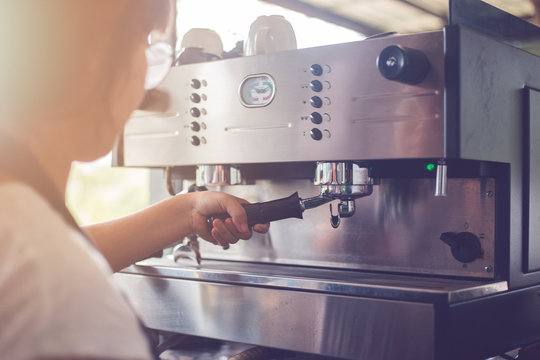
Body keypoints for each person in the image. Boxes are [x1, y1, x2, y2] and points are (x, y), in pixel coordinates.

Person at [0, 1, 268, 359]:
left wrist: (187, 210)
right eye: (145, 43)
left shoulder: (20, 225)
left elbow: (56, 249)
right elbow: (50, 265)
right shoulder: (58, 294)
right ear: (93, 58)